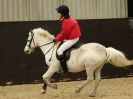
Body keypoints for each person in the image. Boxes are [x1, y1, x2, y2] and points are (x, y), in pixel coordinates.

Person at [53, 5, 81, 72]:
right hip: (71, 36)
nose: (58, 14)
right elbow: (64, 33)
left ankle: (64, 68)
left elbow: (64, 33)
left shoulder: (66, 21)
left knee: (59, 51)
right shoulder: (66, 19)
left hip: (73, 39)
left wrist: (56, 39)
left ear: (62, 13)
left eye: (59, 13)